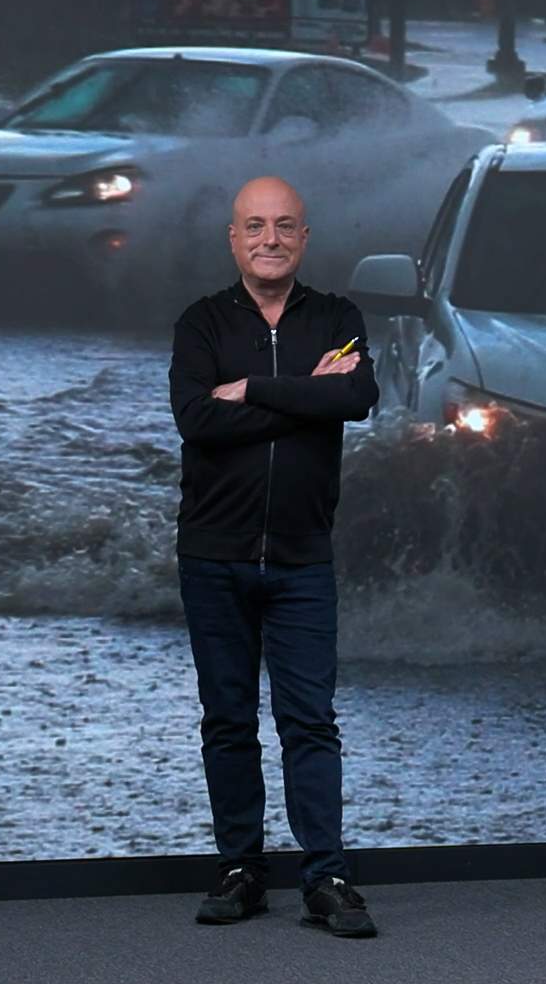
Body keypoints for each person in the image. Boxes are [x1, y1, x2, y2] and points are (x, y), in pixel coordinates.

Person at [167, 176, 380, 939]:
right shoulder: (200, 324)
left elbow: (355, 399)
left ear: (304, 237)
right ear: (233, 238)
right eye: (254, 226)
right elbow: (197, 421)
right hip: (213, 556)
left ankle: (327, 877)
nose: (270, 239)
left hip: (300, 559)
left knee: (309, 722)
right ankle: (242, 870)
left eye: (285, 226)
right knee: (227, 720)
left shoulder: (338, 317)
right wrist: (299, 397)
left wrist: (252, 387)